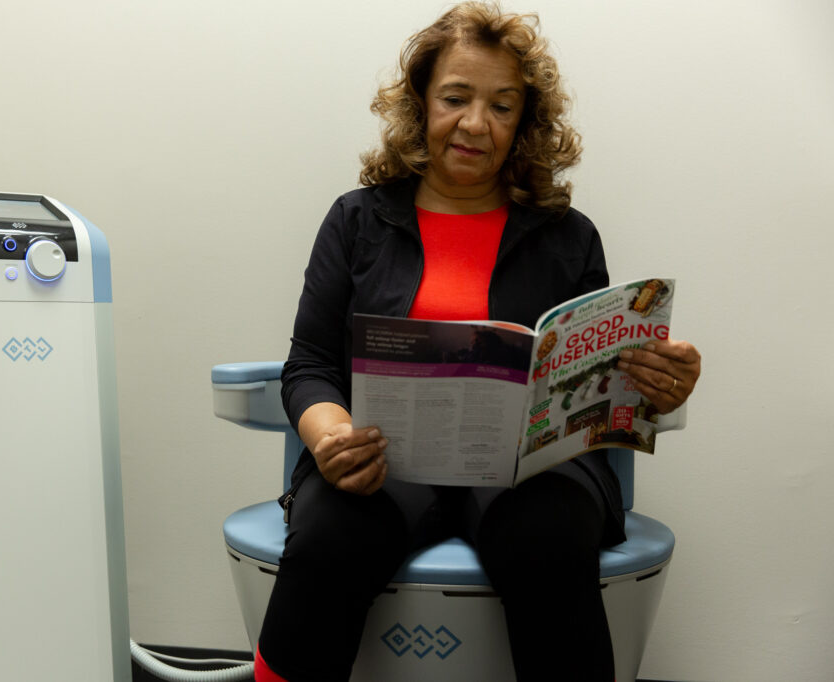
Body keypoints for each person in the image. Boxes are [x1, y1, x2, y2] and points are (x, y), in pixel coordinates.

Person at [253, 3, 702, 681]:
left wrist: (657, 379)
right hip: (387, 457)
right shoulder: (356, 221)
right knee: (327, 537)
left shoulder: (568, 236)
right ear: (420, 104)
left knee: (547, 538)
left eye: (502, 105)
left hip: (533, 470)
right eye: (455, 98)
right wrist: (330, 438)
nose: (474, 124)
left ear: (525, 121)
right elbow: (310, 365)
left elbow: (596, 383)